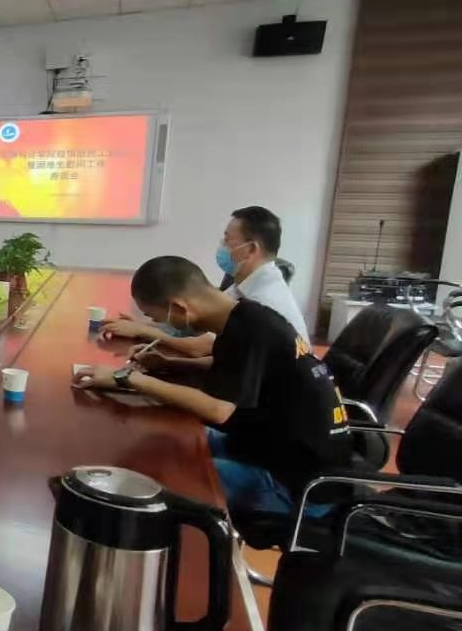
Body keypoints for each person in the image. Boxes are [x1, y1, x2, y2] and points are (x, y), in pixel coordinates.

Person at [75, 256, 349, 516]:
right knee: (162, 441)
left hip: (297, 485)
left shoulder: (251, 330)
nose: (160, 325)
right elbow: (232, 368)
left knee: (159, 477)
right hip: (260, 444)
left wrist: (128, 378)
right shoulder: (246, 315)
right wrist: (168, 363)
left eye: (157, 318)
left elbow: (218, 410)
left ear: (179, 308)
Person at [102, 205, 309, 361]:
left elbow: (201, 347)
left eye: (227, 240)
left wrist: (143, 331)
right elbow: (192, 322)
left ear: (251, 249)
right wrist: (142, 324)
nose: (222, 246)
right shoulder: (247, 283)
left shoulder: (263, 300)